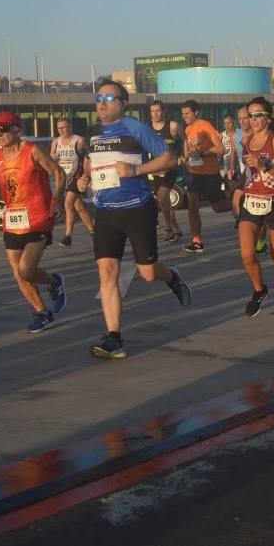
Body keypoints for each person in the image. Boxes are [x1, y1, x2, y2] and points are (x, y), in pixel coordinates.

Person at [78, 79, 193, 360]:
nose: (101, 104)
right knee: (107, 273)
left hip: (137, 208)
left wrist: (136, 169)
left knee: (148, 273)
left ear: (123, 103)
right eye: (98, 98)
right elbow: (92, 164)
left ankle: (171, 275)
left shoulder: (134, 127)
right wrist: (84, 177)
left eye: (109, 98)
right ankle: (114, 338)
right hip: (105, 211)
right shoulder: (93, 134)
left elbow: (169, 158)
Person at [0, 112, 68, 334]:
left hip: (38, 219)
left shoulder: (31, 150)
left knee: (25, 269)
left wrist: (57, 201)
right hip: (13, 220)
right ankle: (43, 312)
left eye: (3, 129)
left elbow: (59, 173)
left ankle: (53, 281)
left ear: (17, 131)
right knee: (18, 273)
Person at [237, 97, 274, 317]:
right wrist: (238, 190)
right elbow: (248, 172)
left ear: (269, 118)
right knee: (247, 254)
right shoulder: (246, 141)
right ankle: (259, 289)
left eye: (258, 115)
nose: (253, 120)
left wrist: (264, 166)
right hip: (251, 200)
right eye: (250, 115)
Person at [180, 100, 230, 253]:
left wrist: (202, 153)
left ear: (196, 112)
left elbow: (220, 149)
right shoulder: (188, 129)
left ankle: (239, 207)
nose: (184, 116)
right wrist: (186, 158)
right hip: (194, 174)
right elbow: (189, 149)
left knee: (217, 207)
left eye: (187, 113)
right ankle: (196, 241)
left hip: (210, 173)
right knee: (192, 206)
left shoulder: (205, 126)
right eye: (183, 114)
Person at [51, 117, 94, 248]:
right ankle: (94, 232)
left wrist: (87, 177)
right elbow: (51, 157)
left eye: (65, 127)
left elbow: (89, 156)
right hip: (65, 178)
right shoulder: (56, 142)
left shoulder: (79, 140)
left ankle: (67, 236)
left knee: (68, 204)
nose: (63, 130)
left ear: (70, 127)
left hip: (77, 177)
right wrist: (53, 157)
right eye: (59, 128)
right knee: (79, 207)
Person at [147, 100, 184, 242]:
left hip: (171, 168)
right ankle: (176, 230)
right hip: (156, 169)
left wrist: (183, 156)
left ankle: (168, 228)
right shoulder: (148, 128)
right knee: (164, 202)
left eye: (158, 111)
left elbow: (185, 140)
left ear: (164, 112)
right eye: (152, 111)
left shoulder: (173, 126)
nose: (155, 114)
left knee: (162, 196)